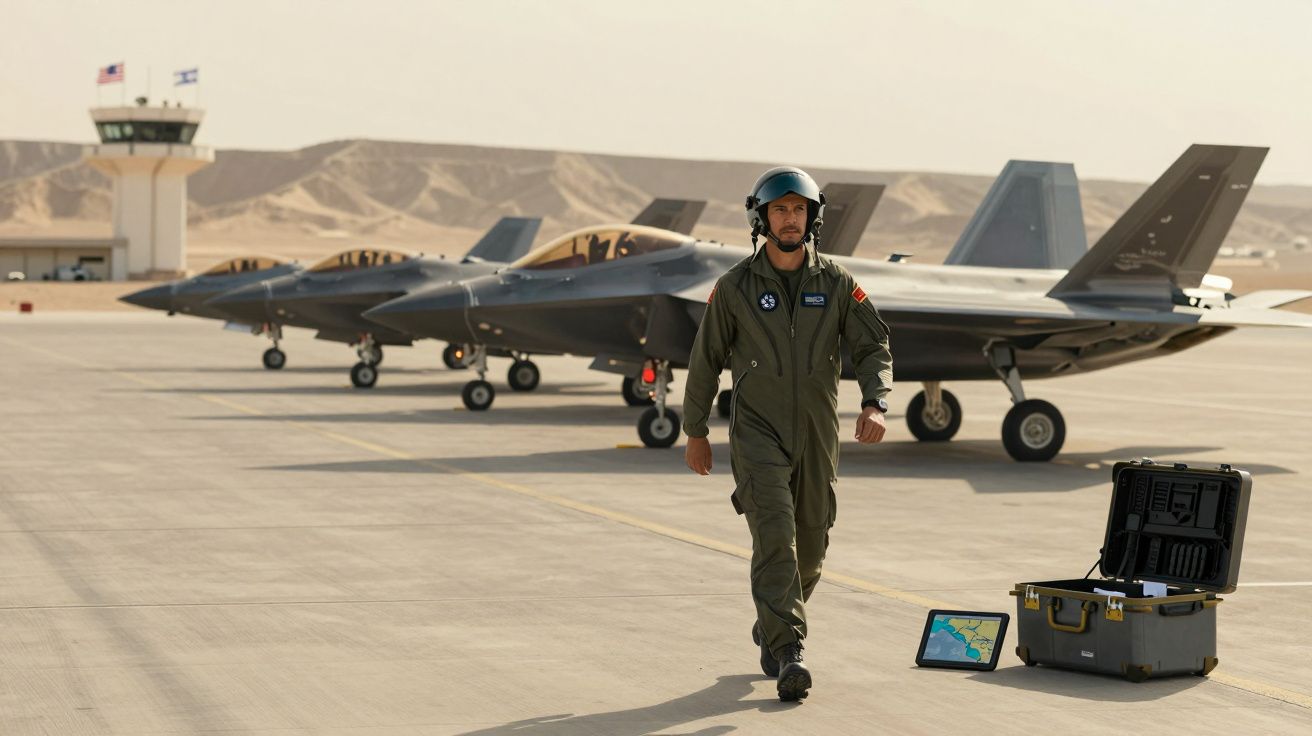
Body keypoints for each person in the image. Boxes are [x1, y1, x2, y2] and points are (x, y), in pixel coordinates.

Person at [682, 166, 893, 702]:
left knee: (812, 545)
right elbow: (705, 361)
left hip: (818, 432)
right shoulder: (734, 288)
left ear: (813, 216)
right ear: (762, 217)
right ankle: (789, 652)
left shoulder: (839, 284)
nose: (790, 218)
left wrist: (875, 401)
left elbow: (873, 347)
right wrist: (696, 430)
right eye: (780, 209)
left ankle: (771, 626)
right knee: (775, 535)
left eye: (799, 209)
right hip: (757, 432)